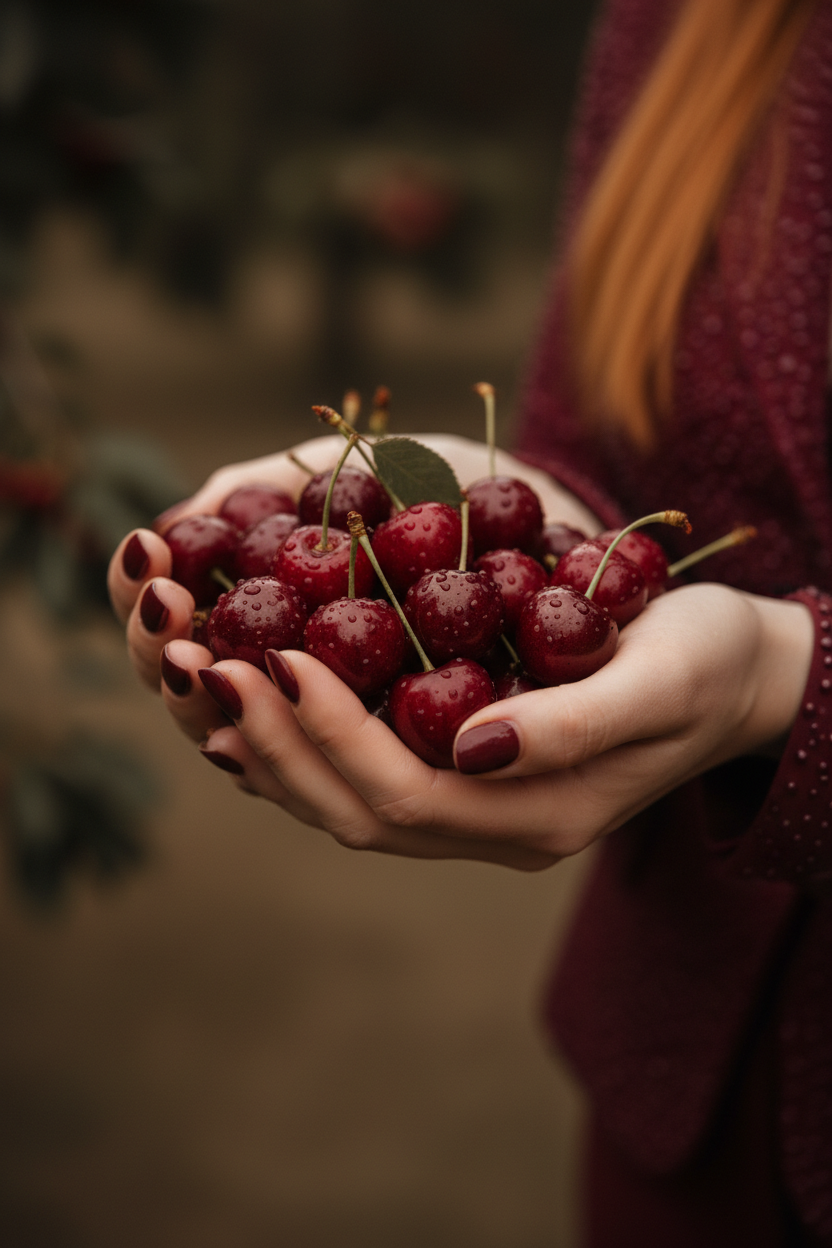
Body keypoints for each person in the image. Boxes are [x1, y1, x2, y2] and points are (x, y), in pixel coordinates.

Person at [108, 0, 832, 1242]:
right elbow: (579, 466)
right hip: (683, 1070)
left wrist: (782, 679)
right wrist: (540, 524)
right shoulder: (687, 18)